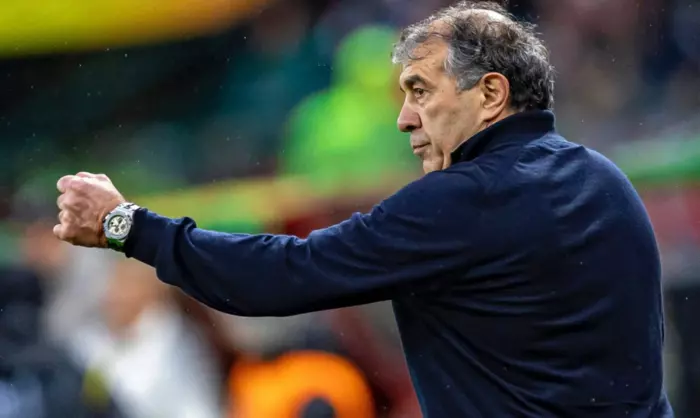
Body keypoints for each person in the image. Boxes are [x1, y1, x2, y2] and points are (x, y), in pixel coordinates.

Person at [52, 2, 673, 417]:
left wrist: (124, 225)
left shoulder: (462, 200)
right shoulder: (606, 179)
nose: (404, 118)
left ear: (490, 94)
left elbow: (279, 276)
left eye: (420, 91)